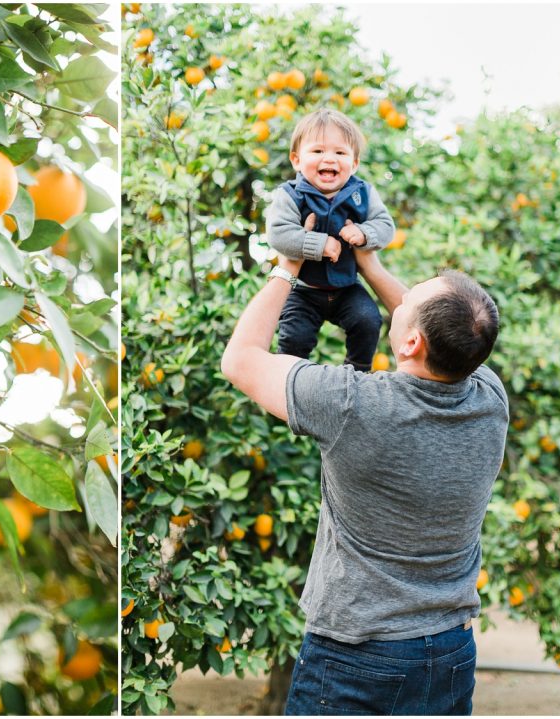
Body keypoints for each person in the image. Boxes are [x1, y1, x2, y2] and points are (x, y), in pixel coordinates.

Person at [220, 248, 508, 716]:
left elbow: (239, 360)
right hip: (451, 651)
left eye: (411, 295)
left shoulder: (351, 405)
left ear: (411, 342)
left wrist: (287, 267)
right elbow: (442, 334)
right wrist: (369, 263)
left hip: (358, 656)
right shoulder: (490, 397)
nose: (403, 293)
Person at [265, 108, 395, 372]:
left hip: (347, 287)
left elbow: (386, 226)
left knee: (368, 320)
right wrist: (317, 244)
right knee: (294, 337)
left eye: (340, 153)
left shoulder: (363, 193)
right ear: (296, 160)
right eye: (318, 151)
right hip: (302, 290)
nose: (330, 159)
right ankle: (287, 378)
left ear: (354, 163)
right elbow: (278, 233)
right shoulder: (290, 195)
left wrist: (364, 233)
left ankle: (358, 370)